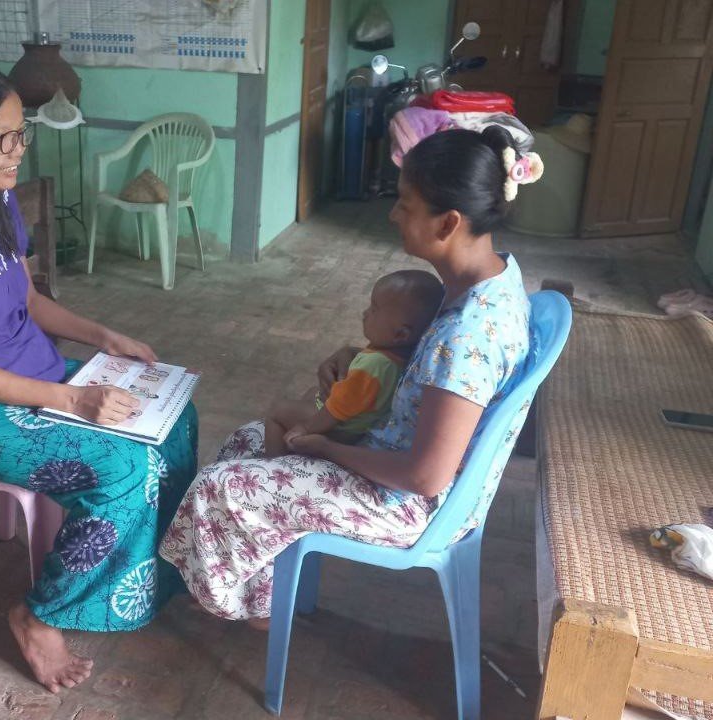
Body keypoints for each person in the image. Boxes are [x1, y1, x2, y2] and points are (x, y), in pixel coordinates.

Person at [0, 61, 197, 692]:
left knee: (173, 417)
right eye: (0, 137)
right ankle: (39, 615)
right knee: (122, 470)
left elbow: (27, 299)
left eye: (21, 134)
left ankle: (153, 570)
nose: (16, 150)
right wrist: (73, 399)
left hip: (36, 372)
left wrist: (104, 337)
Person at [160, 126, 536, 624]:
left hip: (408, 503)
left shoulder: (468, 337)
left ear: (448, 223)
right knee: (244, 442)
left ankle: (240, 606)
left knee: (221, 489)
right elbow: (436, 374)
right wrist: (368, 356)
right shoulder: (488, 279)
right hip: (396, 456)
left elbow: (425, 477)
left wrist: (326, 449)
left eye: (405, 204)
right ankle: (263, 595)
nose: (393, 214)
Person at [264, 270, 443, 457]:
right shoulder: (396, 358)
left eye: (374, 309)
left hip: (342, 430)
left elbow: (338, 408)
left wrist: (305, 428)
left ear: (400, 334)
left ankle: (274, 463)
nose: (365, 313)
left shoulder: (372, 367)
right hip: (357, 423)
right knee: (311, 392)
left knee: (278, 411)